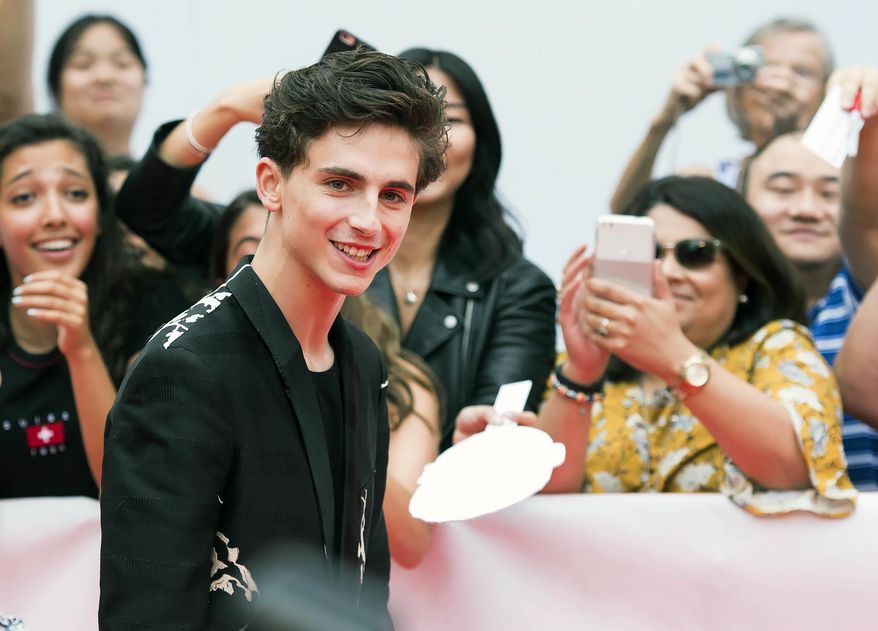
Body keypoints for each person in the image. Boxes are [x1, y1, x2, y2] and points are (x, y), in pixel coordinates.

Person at [98, 49, 447, 629]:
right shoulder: (184, 369)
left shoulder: (361, 361)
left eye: (394, 195)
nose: (369, 221)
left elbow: (365, 594)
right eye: (340, 183)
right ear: (271, 184)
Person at [458, 176, 855, 516]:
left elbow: (796, 469)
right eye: (648, 254)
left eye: (695, 254)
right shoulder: (580, 368)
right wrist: (582, 371)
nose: (666, 271)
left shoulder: (777, 346)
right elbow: (545, 499)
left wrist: (674, 356)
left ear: (742, 275)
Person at [211, 195, 441, 569]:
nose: (277, 263)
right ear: (222, 277)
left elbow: (412, 542)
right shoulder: (194, 368)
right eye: (254, 251)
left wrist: (338, 421)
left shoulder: (396, 381)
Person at [367, 48, 556, 451]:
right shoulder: (331, 263)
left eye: (450, 119)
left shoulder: (519, 289)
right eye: (410, 118)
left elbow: (496, 435)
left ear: (481, 140)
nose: (432, 139)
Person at [0, 113, 189, 499]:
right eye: (24, 197)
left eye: (75, 194)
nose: (55, 217)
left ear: (101, 215)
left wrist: (81, 348)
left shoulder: (155, 304)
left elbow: (136, 492)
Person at [739, 66, 878, 488]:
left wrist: (868, 116)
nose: (805, 209)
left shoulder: (865, 292)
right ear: (740, 202)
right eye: (782, 189)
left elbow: (864, 220)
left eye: (830, 192)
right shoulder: (712, 306)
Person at [610, 17, 833, 212]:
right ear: (737, 89)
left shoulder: (846, 178)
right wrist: (664, 122)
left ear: (827, 91)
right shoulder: (715, 185)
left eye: (802, 72)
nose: (780, 84)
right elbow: (629, 216)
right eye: (763, 67)